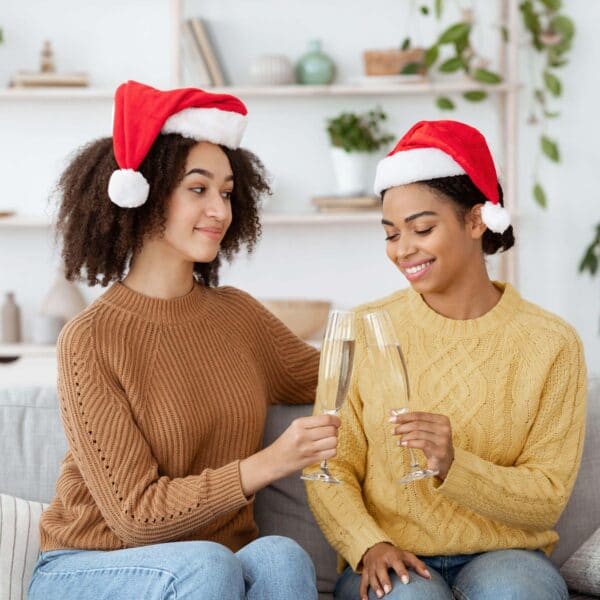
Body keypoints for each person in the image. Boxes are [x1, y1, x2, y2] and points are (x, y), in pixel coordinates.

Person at [29, 80, 340, 600]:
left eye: (226, 192)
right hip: (89, 566)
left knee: (282, 555)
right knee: (210, 565)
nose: (220, 209)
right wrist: (269, 462)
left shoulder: (237, 316)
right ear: (144, 192)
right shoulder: (89, 338)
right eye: (198, 189)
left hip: (205, 563)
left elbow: (340, 372)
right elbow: (134, 518)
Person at [304, 120, 587, 600]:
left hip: (508, 555)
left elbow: (547, 497)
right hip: (388, 552)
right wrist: (367, 543)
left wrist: (455, 464)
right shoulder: (360, 329)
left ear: (476, 221)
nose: (403, 249)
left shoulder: (551, 343)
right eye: (391, 234)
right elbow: (330, 468)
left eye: (422, 228)